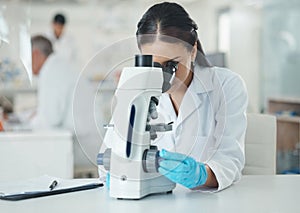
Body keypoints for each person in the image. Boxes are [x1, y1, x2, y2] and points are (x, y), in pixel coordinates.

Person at [100, 2, 248, 191]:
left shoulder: (226, 86)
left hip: (204, 201)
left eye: (172, 64)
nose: (163, 76)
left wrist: (201, 175)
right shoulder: (136, 89)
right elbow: (108, 157)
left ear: (192, 50)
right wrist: (119, 173)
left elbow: (230, 160)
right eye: (153, 65)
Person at [30, 35, 76, 130]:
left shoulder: (50, 71)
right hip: (83, 136)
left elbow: (51, 118)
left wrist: (29, 122)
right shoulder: (56, 66)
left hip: (81, 140)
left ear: (35, 54)